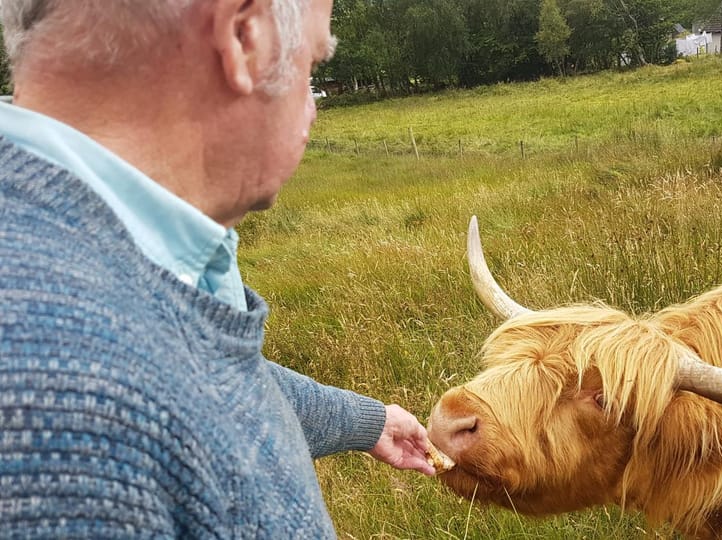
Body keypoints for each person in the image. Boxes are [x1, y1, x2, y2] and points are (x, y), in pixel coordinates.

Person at [0, 0, 435, 537]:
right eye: (312, 66)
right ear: (244, 36)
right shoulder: (63, 425)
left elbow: (199, 379)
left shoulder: (93, 263)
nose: (314, 105)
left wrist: (367, 422)